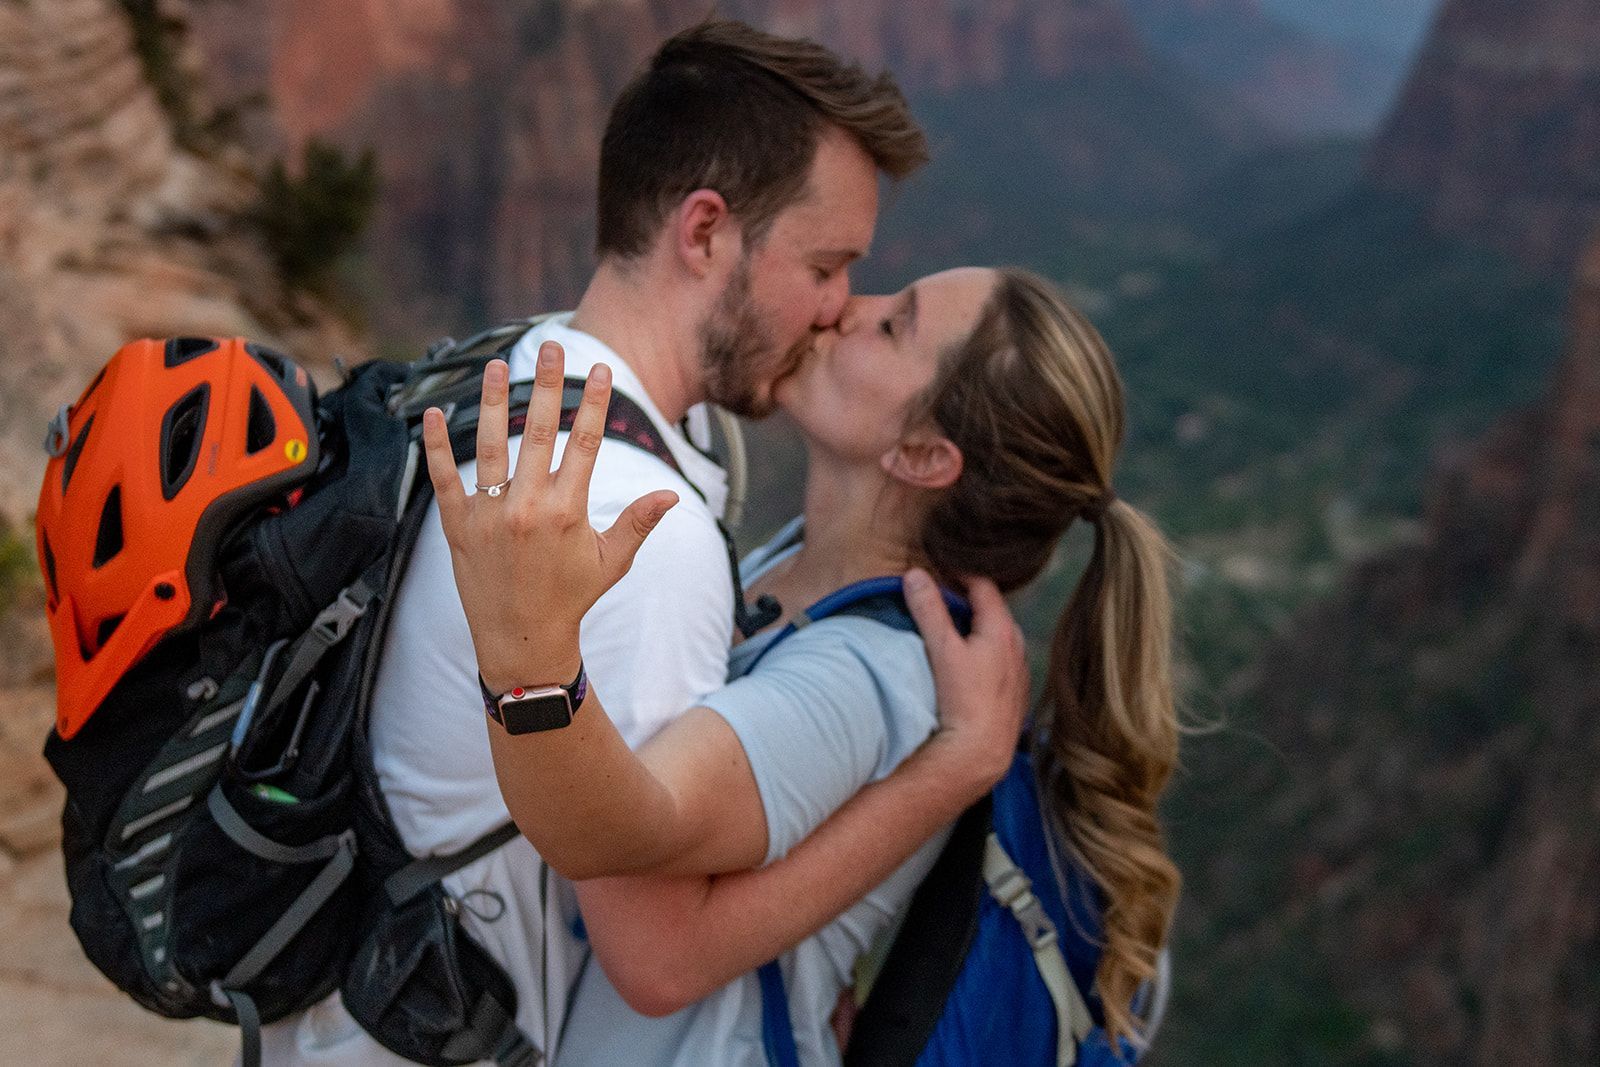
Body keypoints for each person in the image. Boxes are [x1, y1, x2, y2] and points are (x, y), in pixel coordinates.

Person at [259, 19, 1031, 1066]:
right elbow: (660, 949)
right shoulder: (638, 533)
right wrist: (952, 768)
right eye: (826, 262)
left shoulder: (530, 363)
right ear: (705, 231)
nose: (839, 306)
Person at [425, 266, 1183, 1064]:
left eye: (894, 326)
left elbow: (656, 950)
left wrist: (531, 644)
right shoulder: (797, 568)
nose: (849, 309)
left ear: (924, 454)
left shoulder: (865, 676)